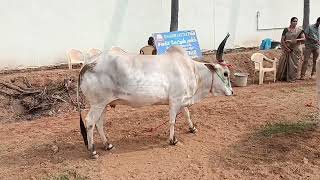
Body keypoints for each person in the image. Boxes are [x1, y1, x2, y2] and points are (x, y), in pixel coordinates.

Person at [277, 17, 305, 82]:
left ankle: (293, 78)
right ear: (291, 22)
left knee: (294, 65)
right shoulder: (286, 30)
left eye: (296, 21)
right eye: (294, 21)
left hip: (296, 50)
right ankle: (284, 77)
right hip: (287, 49)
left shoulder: (299, 30)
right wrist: (286, 48)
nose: (295, 23)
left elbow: (304, 39)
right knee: (284, 64)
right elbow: (282, 40)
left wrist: (294, 40)